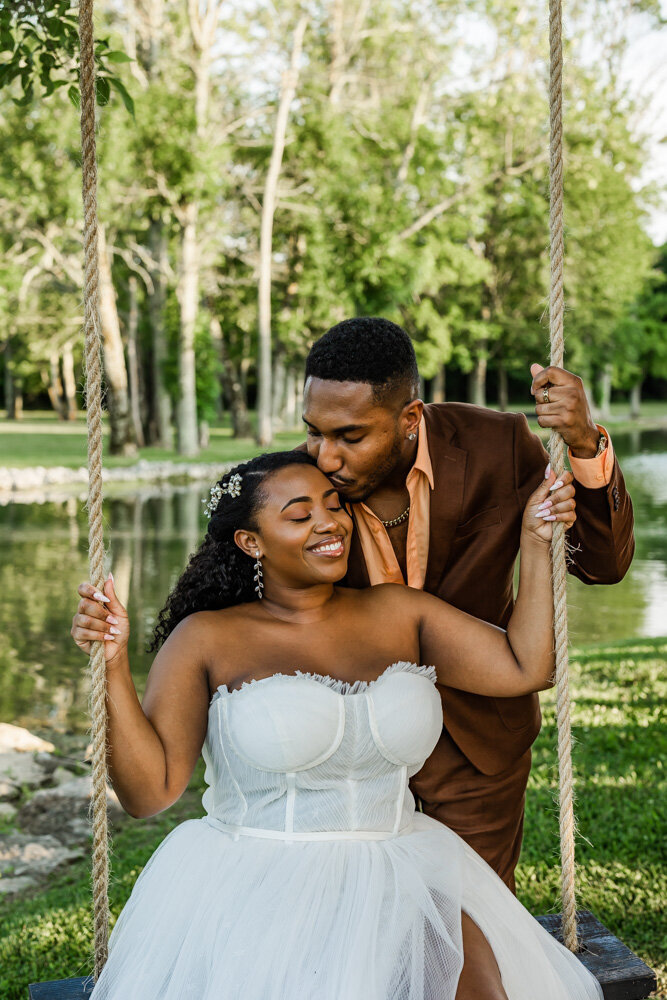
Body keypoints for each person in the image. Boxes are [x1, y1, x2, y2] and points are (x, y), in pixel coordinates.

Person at [71, 451, 601, 1000]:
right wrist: (112, 666)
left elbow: (525, 665)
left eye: (333, 505)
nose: (330, 523)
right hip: (260, 882)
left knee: (478, 990)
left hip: (403, 872)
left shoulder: (399, 613)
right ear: (251, 542)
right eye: (299, 515)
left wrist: (536, 545)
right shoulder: (206, 639)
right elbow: (148, 792)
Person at [302, 317, 634, 889]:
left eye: (350, 436)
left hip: (477, 746)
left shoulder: (496, 445)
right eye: (313, 431)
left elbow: (600, 563)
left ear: (411, 418)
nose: (325, 456)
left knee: (471, 932)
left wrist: (582, 443)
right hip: (351, 759)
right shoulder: (297, 486)